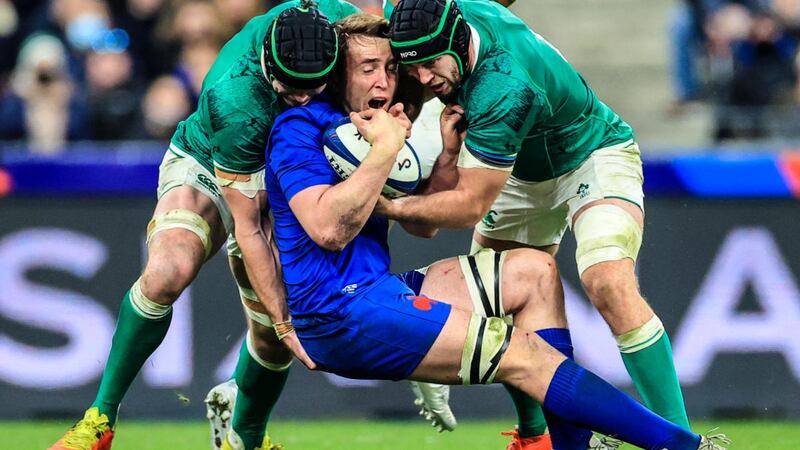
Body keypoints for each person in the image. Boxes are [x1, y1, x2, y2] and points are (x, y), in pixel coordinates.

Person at [262, 13, 729, 450]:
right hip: (339, 313)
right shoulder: (299, 130)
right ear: (337, 73)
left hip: (374, 290)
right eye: (367, 68)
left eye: (390, 66)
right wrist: (387, 148)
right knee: (527, 356)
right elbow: (328, 230)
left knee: (536, 273)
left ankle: (545, 441)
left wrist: (445, 157)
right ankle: (684, 446)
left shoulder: (365, 123)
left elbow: (421, 229)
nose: (385, 80)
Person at [381, 0, 694, 448]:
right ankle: (535, 438)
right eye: (415, 67)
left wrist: (389, 207)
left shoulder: (503, 85)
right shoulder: (431, 14)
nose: (425, 78)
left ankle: (678, 438)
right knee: (498, 299)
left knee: (607, 280)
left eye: (432, 62)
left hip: (590, 154)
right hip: (519, 170)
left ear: (456, 39)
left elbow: (466, 206)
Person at [47, 3, 353, 450]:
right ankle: (99, 420)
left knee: (268, 338)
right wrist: (287, 324)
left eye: (315, 88)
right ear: (268, 65)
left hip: (294, 174)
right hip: (212, 162)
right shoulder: (234, 96)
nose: (304, 100)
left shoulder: (344, 29)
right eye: (292, 89)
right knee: (169, 270)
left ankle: (243, 434)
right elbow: (248, 227)